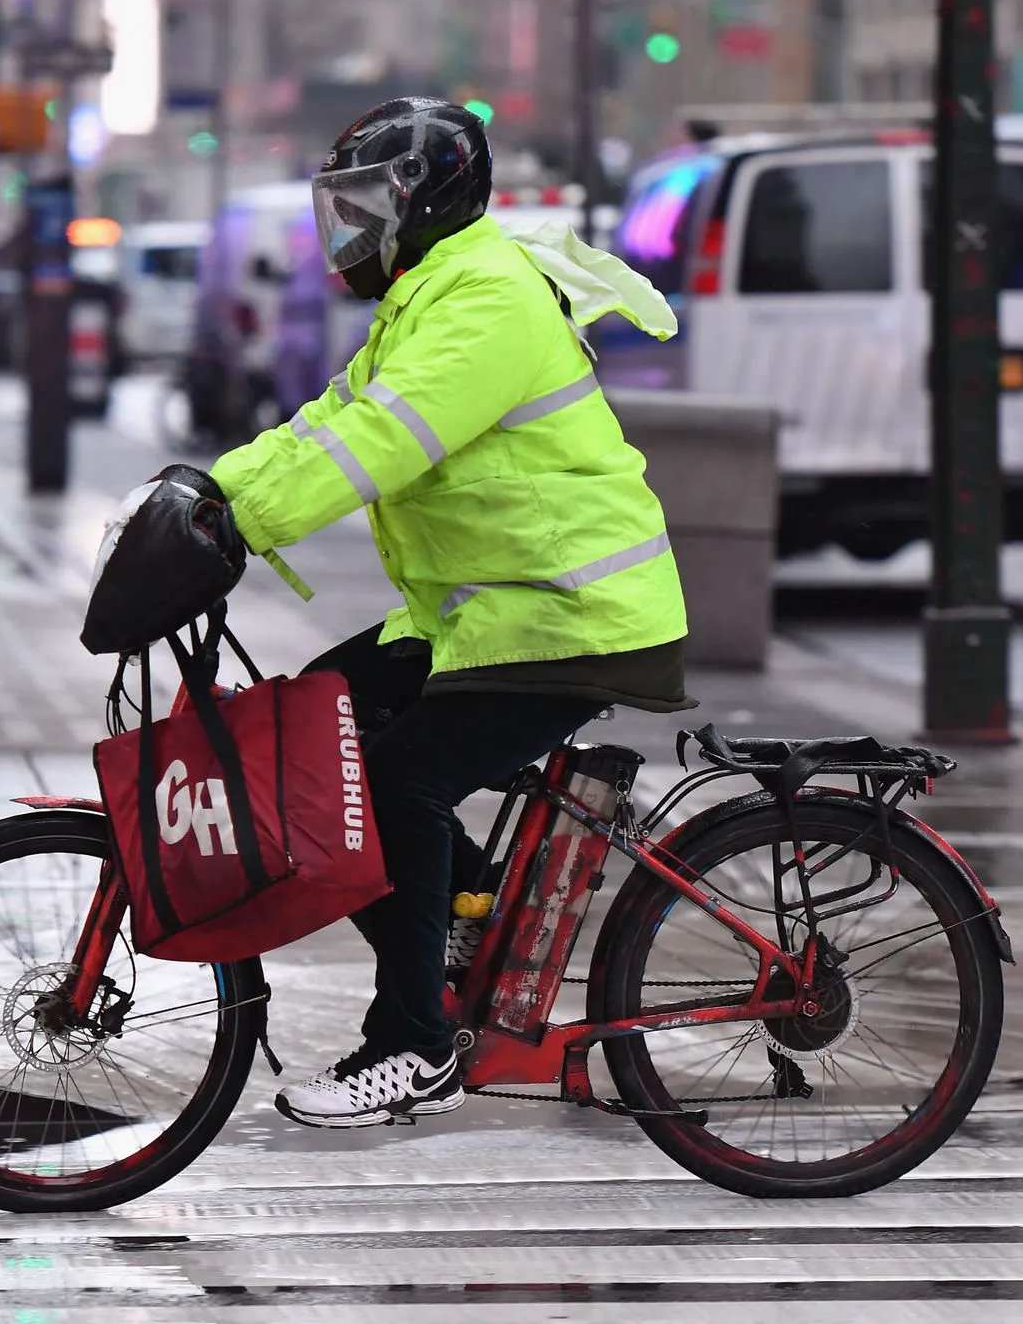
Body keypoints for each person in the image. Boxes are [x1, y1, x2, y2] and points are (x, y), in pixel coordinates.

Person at [208, 97, 691, 1129]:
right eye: (341, 210)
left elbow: (379, 441)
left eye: (367, 206)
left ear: (425, 201)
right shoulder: (431, 291)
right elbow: (329, 417)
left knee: (392, 784)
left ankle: (414, 1046)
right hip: (493, 613)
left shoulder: (484, 302)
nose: (350, 233)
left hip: (573, 617)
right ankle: (469, 919)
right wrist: (206, 494)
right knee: (316, 721)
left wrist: (245, 524)